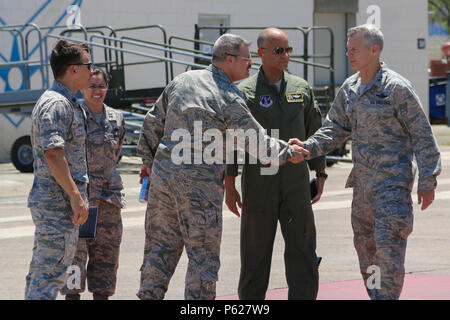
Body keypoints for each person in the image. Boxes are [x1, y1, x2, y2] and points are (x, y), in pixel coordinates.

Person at [136, 33, 309, 300]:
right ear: (229, 60)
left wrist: (148, 164)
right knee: (202, 259)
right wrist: (291, 152)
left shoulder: (182, 80)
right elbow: (258, 144)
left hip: (164, 182)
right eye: (247, 61)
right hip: (199, 190)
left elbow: (152, 122)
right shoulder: (228, 95)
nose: (250, 65)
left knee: (159, 250)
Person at [292, 24, 441, 300]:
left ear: (375, 50)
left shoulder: (397, 88)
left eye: (354, 49)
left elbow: (422, 134)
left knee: (388, 252)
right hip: (362, 190)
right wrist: (307, 148)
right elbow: (334, 128)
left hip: (392, 189)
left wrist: (428, 180)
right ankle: (376, 297)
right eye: (348, 49)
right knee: (366, 252)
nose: (349, 54)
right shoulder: (350, 88)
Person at [224, 28, 326, 300]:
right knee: (255, 253)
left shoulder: (300, 88)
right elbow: (233, 140)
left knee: (303, 248)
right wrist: (230, 184)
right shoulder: (242, 92)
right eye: (279, 51)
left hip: (295, 179)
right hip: (259, 181)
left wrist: (321, 171)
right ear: (261, 54)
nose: (285, 56)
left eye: (288, 50)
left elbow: (314, 130)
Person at [25, 39, 92, 300]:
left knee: (41, 273)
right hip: (58, 205)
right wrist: (76, 197)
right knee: (50, 276)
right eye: (88, 65)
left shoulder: (61, 101)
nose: (91, 70)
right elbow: (53, 154)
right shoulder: (58, 104)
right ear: (74, 69)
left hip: (53, 203)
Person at [61, 68, 126, 300]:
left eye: (101, 86)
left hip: (108, 201)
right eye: (92, 86)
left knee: (106, 261)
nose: (97, 91)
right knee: (75, 260)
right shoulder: (73, 116)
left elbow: (116, 151)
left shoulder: (117, 118)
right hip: (81, 201)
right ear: (82, 88)